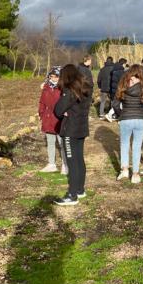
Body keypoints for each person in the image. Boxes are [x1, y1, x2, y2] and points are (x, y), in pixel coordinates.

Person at [54, 64, 92, 206]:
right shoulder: (84, 89)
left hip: (70, 130)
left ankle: (72, 194)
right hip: (81, 128)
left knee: (72, 162)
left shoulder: (69, 91)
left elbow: (58, 110)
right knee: (79, 160)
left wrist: (65, 110)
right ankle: (80, 190)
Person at [113, 64, 143, 184]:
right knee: (137, 146)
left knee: (124, 144)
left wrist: (121, 114)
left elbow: (115, 104)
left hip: (125, 118)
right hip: (140, 120)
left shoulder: (123, 85)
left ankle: (124, 170)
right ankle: (135, 174)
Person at [38, 67, 66, 174]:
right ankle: (51, 164)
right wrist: (41, 113)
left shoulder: (63, 88)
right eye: (51, 76)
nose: (53, 78)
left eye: (56, 76)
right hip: (48, 118)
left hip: (59, 119)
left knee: (62, 143)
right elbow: (42, 102)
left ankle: (65, 164)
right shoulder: (46, 87)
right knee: (50, 142)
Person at [105, 58, 127, 122]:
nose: (125, 65)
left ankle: (113, 115)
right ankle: (111, 115)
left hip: (114, 90)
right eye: (125, 64)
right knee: (120, 104)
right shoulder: (121, 72)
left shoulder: (114, 71)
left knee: (117, 104)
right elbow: (123, 82)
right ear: (123, 64)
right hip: (120, 90)